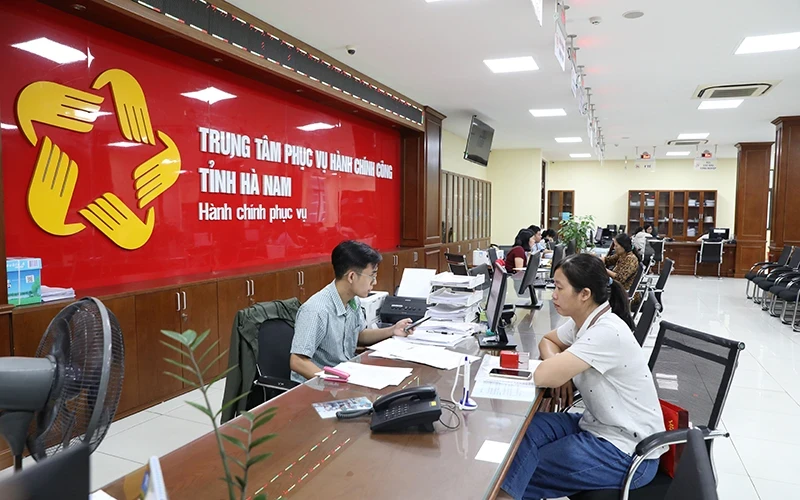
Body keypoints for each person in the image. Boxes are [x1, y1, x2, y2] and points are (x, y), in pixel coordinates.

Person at [501, 254, 665, 499]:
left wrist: (558, 370)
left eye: (559, 287)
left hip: (627, 451)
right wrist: (564, 371)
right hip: (596, 425)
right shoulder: (585, 321)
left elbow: (543, 375)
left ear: (584, 294)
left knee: (519, 468)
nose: (553, 294)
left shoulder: (606, 331)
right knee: (521, 432)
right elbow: (548, 340)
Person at [289, 240, 413, 383]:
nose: (375, 282)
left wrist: (392, 330)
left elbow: (359, 335)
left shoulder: (353, 301)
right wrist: (333, 382)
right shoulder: (316, 309)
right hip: (318, 387)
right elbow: (297, 361)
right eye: (372, 276)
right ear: (352, 277)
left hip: (347, 375)